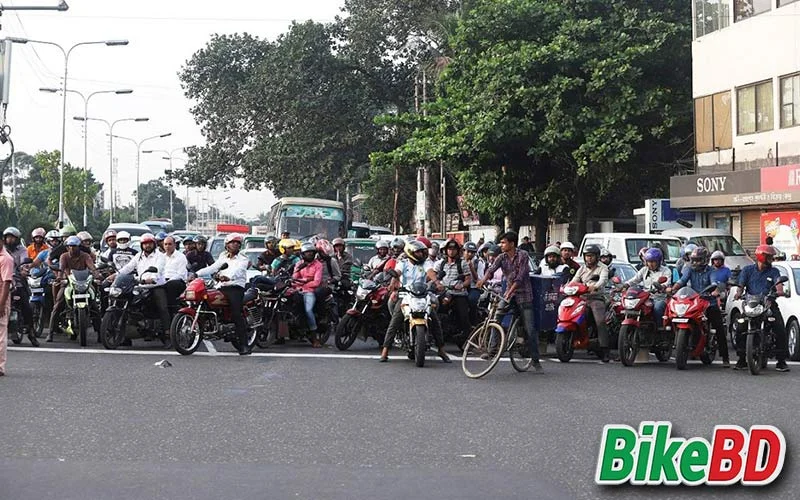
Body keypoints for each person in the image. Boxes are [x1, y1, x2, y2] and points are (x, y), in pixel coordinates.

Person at [476, 231, 543, 371]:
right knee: (496, 318)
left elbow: (520, 277)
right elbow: (491, 270)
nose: (501, 245)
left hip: (524, 295)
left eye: (503, 242)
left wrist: (510, 291)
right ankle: (492, 350)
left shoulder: (523, 255)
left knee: (530, 329)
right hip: (508, 295)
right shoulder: (501, 257)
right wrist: (483, 280)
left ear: (512, 244)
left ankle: (536, 361)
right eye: (501, 242)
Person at [379, 240, 451, 363]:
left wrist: (437, 282)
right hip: (406, 295)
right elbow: (397, 273)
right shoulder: (403, 263)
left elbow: (431, 273)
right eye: (418, 252)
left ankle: (441, 349)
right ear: (410, 252)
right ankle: (385, 351)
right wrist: (393, 276)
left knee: (434, 320)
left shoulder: (425, 264)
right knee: (395, 320)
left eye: (422, 252)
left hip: (422, 295)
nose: (421, 254)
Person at [733, 245, 789, 372]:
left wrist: (779, 292)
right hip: (751, 304)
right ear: (761, 256)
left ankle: (781, 361)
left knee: (779, 327)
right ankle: (741, 359)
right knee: (740, 327)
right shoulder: (747, 270)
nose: (771, 259)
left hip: (768, 304)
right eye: (769, 256)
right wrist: (738, 293)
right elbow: (740, 285)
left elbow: (779, 284)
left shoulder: (774, 271)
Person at [672, 246, 729, 368]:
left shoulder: (711, 271)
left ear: (705, 260)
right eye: (694, 260)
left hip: (709, 302)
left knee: (718, 327)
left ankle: (725, 357)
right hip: (693, 301)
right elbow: (682, 281)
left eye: (698, 260)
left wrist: (715, 290)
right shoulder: (689, 269)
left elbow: (714, 282)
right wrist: (673, 288)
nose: (695, 262)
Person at [196, 233, 251, 355]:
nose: (235, 244)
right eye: (232, 242)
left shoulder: (243, 258)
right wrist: (196, 274)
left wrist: (229, 277)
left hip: (235, 288)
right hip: (221, 287)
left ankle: (244, 345)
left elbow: (239, 270)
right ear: (227, 245)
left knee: (236, 314)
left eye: (237, 242)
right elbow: (213, 267)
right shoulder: (223, 256)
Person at [115, 233, 170, 345]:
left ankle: (167, 333)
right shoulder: (138, 256)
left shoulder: (160, 256)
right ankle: (125, 336)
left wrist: (151, 278)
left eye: (149, 243)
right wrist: (117, 276)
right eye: (145, 244)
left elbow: (158, 270)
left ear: (154, 244)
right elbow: (128, 268)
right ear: (141, 245)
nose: (147, 246)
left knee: (162, 307)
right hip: (140, 286)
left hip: (156, 286)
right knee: (128, 304)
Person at [47, 236, 102, 342]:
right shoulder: (64, 256)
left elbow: (91, 266)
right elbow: (61, 268)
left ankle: (100, 333)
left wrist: (96, 273)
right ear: (67, 247)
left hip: (84, 283)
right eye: (70, 246)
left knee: (94, 306)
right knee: (57, 305)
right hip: (69, 283)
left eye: (74, 246)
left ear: (79, 247)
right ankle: (50, 333)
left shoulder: (85, 256)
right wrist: (59, 276)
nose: (72, 249)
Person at [569, 244, 611, 362]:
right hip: (581, 298)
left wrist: (595, 286)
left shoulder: (603, 268)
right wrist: (567, 287)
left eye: (591, 256)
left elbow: (603, 280)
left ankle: (604, 349)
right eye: (587, 256)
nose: (589, 258)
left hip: (596, 298)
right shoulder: (581, 269)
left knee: (600, 321)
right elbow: (574, 281)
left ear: (597, 257)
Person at [429, 239, 472, 344]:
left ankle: (465, 338)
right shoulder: (439, 264)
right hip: (443, 293)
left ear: (458, 251)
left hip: (459, 294)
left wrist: (461, 285)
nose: (451, 251)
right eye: (449, 249)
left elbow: (468, 279)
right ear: (445, 251)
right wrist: (435, 284)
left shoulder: (463, 264)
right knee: (432, 310)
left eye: (454, 249)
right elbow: (432, 276)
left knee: (463, 316)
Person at [4, 227, 38, 347]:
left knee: (26, 306)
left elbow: (25, 262)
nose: (10, 240)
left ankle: (31, 332)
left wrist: (25, 269)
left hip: (17, 280)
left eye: (12, 237)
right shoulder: (2, 250)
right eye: (8, 237)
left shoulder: (22, 250)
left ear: (17, 239)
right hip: (3, 280)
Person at [623, 247, 671, 321]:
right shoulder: (644, 270)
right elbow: (635, 279)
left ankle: (660, 328)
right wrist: (626, 285)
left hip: (659, 297)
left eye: (653, 262)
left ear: (658, 261)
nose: (650, 264)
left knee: (658, 307)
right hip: (645, 297)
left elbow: (666, 283)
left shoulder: (666, 271)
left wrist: (661, 287)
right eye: (649, 261)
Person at [293, 242, 324, 348]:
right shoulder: (299, 264)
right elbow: (294, 279)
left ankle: (314, 338)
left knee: (308, 310)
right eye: (307, 253)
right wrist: (299, 272)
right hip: (297, 290)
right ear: (302, 254)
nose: (309, 254)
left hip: (309, 291)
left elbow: (316, 282)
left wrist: (303, 282)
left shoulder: (318, 265)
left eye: (311, 252)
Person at [162, 236, 188, 309]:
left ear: (174, 245)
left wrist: (167, 281)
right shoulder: (161, 257)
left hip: (177, 282)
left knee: (170, 286)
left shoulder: (181, 257)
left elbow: (181, 274)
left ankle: (171, 310)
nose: (167, 246)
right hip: (163, 281)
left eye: (170, 244)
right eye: (165, 244)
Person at [0, 241, 14, 376]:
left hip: (1, 299)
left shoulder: (6, 259)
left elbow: (6, 283)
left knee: (0, 334)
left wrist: (2, 304)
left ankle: (0, 367)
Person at [463, 241, 483, 324]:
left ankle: (473, 322)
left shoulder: (478, 263)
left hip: (473, 287)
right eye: (468, 251)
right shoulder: (460, 261)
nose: (469, 254)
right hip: (461, 287)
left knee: (472, 300)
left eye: (472, 252)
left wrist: (471, 267)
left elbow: (478, 280)